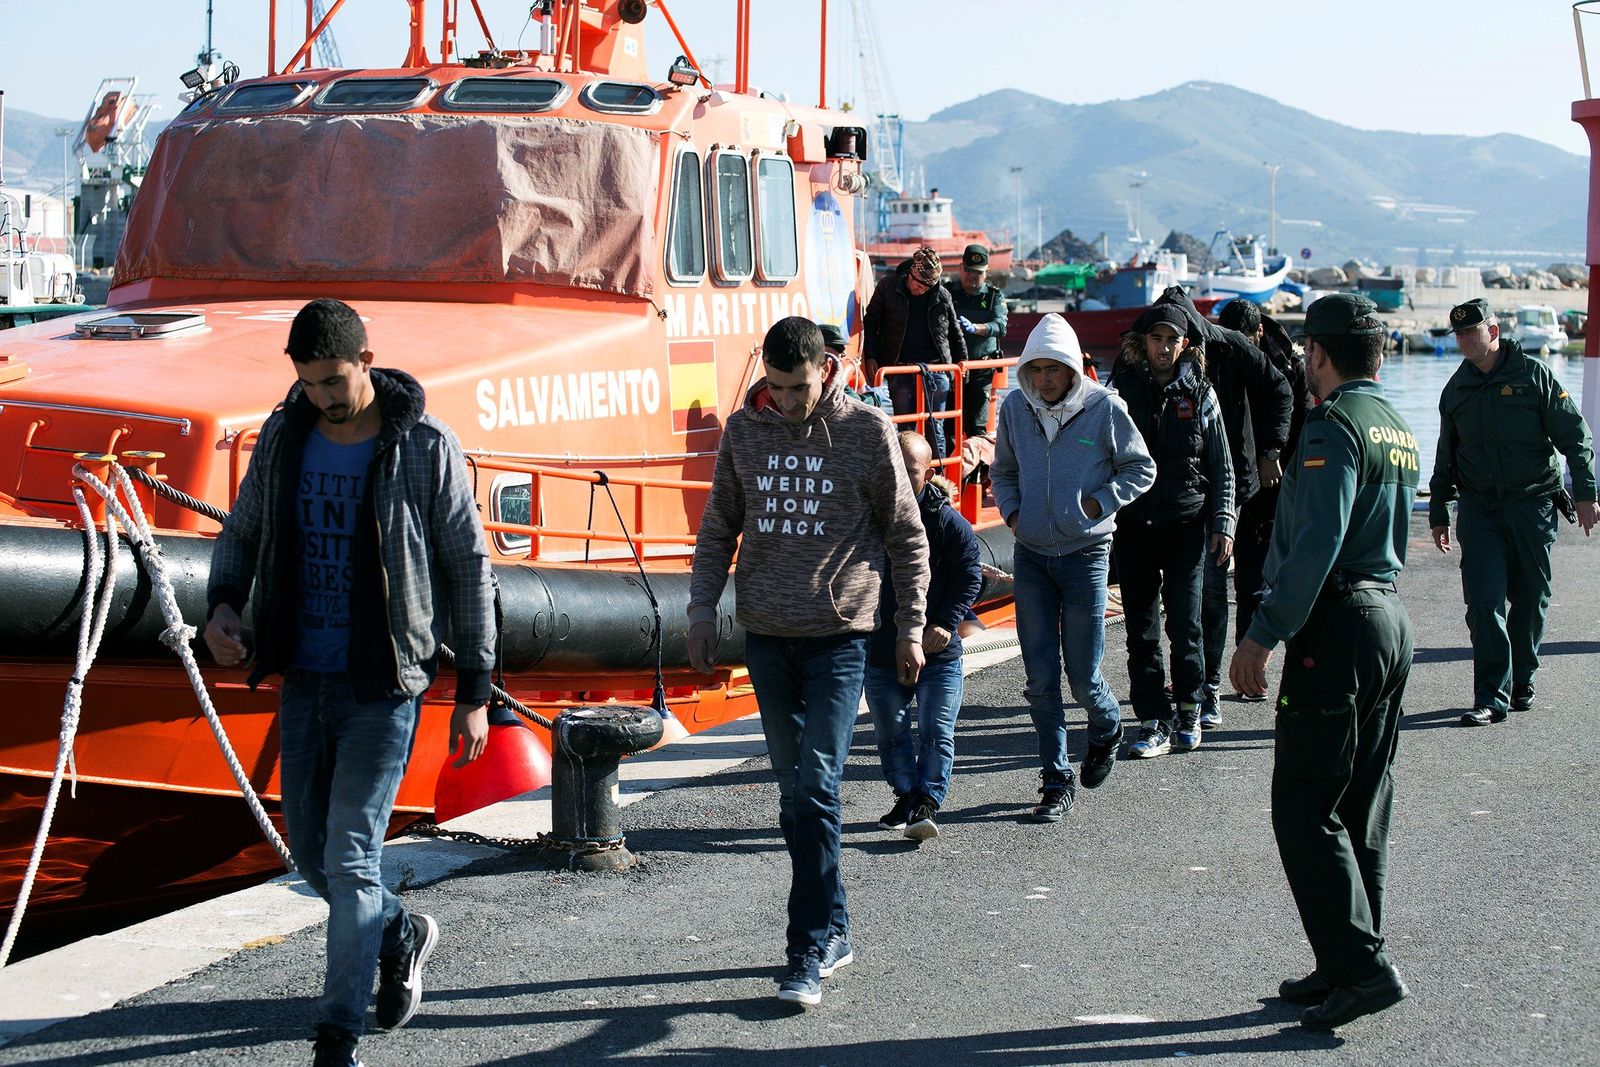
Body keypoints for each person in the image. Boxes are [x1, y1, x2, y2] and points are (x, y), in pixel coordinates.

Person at [203, 298, 495, 1067]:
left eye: (333, 380)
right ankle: (397, 930)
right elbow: (245, 528)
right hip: (305, 673)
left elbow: (468, 564)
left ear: (366, 358)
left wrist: (474, 688)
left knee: (353, 854)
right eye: (308, 384)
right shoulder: (285, 434)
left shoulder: (424, 446)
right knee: (310, 854)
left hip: (383, 682)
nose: (323, 397)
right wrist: (224, 606)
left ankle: (337, 1032)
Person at [687, 316, 930, 1008]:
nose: (789, 402)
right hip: (767, 635)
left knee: (815, 787)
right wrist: (702, 610)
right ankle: (838, 924)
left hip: (838, 636)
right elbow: (718, 528)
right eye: (777, 388)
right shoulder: (744, 432)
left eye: (799, 388)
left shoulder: (866, 432)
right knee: (797, 798)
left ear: (827, 368)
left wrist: (910, 628)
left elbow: (908, 537)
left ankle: (805, 948)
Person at [1229, 294, 1418, 1031]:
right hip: (1388, 617)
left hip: (1338, 621)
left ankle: (1364, 968)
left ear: (1321, 353)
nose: (1304, 361)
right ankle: (1345, 960)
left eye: (1308, 350)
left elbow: (1317, 541)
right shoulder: (1396, 423)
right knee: (1359, 803)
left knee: (1305, 805)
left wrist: (1262, 633)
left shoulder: (1335, 425)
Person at [990, 314, 1155, 820]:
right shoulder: (1016, 407)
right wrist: (1014, 514)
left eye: (1053, 369)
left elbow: (1140, 467)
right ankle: (1055, 779)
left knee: (1082, 676)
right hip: (1032, 555)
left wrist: (1096, 505)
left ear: (1071, 369)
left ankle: (1106, 725)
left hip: (1086, 555)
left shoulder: (1105, 409)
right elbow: (1003, 469)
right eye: (1035, 369)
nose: (1043, 379)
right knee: (1040, 678)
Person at [1427, 297, 1597, 727]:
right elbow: (1446, 454)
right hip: (1480, 508)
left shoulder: (1533, 376)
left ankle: (1523, 678)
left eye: (1472, 332)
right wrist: (1439, 511)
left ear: (1493, 331)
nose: (1465, 340)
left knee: (1530, 600)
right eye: (1459, 334)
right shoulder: (1456, 389)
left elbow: (1575, 436)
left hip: (1532, 504)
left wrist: (1586, 492)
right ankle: (1490, 696)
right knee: (1483, 603)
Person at [1153, 286, 1292, 728]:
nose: (1166, 344)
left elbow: (1281, 389)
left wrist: (1272, 449)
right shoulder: (1146, 360)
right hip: (1178, 491)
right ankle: (1192, 680)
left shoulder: (1229, 345)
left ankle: (1211, 682)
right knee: (1180, 596)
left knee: (1217, 588)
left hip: (1231, 485)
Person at [1109, 304, 1234, 759]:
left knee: (1186, 624)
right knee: (1140, 629)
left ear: (1184, 345)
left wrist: (1224, 521)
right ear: (1143, 342)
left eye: (1172, 340)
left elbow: (1223, 465)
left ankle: (1189, 709)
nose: (1163, 347)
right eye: (1156, 339)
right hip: (1134, 525)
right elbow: (1097, 454)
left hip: (1187, 524)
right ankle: (1151, 719)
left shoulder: (1201, 393)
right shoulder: (1118, 391)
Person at [864, 431, 983, 843]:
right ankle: (906, 794)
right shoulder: (866, 518)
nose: (898, 478)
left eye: (908, 471)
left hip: (938, 650)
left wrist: (946, 624)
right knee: (889, 731)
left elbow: (970, 577)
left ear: (928, 474)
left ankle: (926, 801)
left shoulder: (949, 524)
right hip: (880, 649)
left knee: (936, 729)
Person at [1218, 300, 1311, 673]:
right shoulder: (1218, 357)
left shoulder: (1289, 367)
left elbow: (1303, 422)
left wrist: (1282, 464)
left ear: (1258, 334)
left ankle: (1300, 662)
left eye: (1243, 340)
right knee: (1248, 580)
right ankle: (1247, 662)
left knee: (1291, 574)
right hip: (1239, 479)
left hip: (1280, 480)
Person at [863, 246, 968, 458]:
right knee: (906, 427)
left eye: (927, 287)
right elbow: (871, 321)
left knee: (934, 426)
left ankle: (937, 478)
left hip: (937, 369)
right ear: (910, 273)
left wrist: (962, 362)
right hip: (899, 367)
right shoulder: (887, 287)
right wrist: (871, 355)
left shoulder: (942, 295)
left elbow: (955, 333)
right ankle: (909, 480)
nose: (921, 290)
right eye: (919, 285)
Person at [945, 243, 1009, 438]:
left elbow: (1001, 326)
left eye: (978, 272)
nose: (972, 276)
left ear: (986, 273)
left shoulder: (993, 297)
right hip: (951, 370)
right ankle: (946, 467)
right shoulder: (946, 293)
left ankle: (976, 468)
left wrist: (977, 328)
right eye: (968, 270)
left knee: (976, 427)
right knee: (947, 426)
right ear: (960, 268)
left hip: (981, 371)